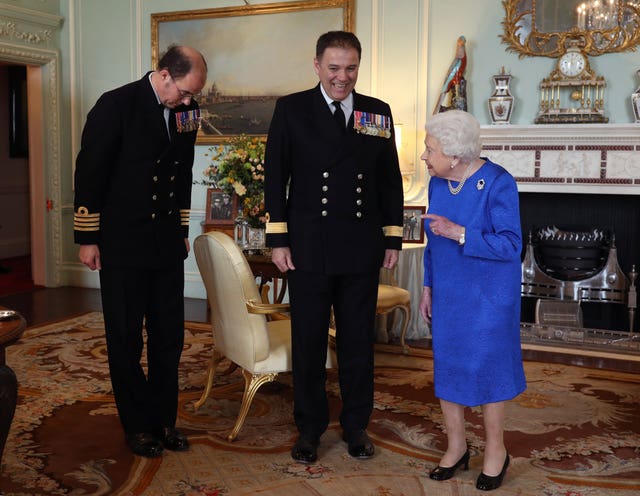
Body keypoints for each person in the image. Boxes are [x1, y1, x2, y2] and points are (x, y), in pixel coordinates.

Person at [264, 31, 404, 464]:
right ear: (317, 65)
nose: (342, 77)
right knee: (308, 341)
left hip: (360, 245)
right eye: (334, 68)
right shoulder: (291, 109)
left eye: (351, 68)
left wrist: (392, 235)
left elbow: (388, 179)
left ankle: (356, 424)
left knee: (359, 342)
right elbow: (275, 176)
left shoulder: (376, 112)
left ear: (359, 67)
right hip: (308, 246)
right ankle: (309, 429)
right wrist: (278, 240)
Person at [73, 45, 207, 458]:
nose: (188, 102)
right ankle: (137, 426)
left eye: (192, 95)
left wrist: (182, 227)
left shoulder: (187, 111)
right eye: (183, 92)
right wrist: (87, 237)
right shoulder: (115, 105)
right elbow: (90, 170)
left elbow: (183, 171)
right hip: (122, 241)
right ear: (165, 74)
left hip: (166, 241)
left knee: (169, 337)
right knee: (126, 338)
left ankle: (164, 421)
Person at [418, 110, 526, 491]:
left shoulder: (498, 184)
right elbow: (433, 243)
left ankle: (496, 451)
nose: (424, 157)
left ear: (455, 155)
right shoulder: (437, 184)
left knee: (487, 369)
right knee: (449, 366)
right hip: (449, 293)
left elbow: (512, 246)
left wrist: (461, 232)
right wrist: (428, 287)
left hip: (489, 297)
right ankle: (456, 447)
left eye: (430, 150)